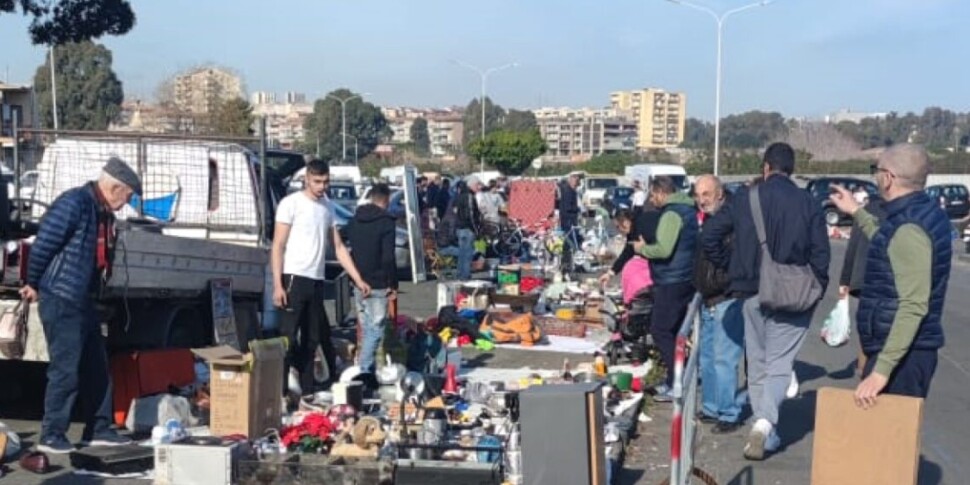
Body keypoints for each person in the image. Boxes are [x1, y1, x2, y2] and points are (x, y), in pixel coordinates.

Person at [703, 142, 830, 461]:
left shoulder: (745, 198)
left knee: (758, 363)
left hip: (750, 290)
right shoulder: (807, 202)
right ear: (792, 169)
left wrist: (732, 266)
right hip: (794, 293)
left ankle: (764, 430)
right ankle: (764, 423)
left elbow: (709, 235)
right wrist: (817, 286)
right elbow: (821, 253)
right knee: (780, 363)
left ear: (765, 167)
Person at [22, 157, 141, 453]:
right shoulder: (74, 203)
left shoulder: (99, 210)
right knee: (66, 368)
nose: (125, 204)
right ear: (115, 187)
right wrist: (32, 282)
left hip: (83, 299)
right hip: (62, 296)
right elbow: (43, 245)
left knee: (96, 366)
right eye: (126, 196)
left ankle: (99, 428)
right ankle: (52, 433)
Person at [828, 144, 950, 408]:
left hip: (903, 357)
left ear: (888, 177)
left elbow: (913, 305)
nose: (876, 176)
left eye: (877, 170)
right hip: (902, 350)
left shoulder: (909, 226)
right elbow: (890, 243)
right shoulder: (917, 213)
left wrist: (881, 371)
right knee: (887, 443)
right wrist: (857, 212)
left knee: (888, 443)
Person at [272, 159, 371, 398]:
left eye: (326, 182)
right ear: (307, 179)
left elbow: (337, 246)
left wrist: (357, 278)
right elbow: (278, 245)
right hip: (294, 276)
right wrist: (277, 284)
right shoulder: (291, 204)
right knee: (287, 337)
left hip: (316, 279)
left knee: (312, 337)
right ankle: (280, 392)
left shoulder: (327, 206)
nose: (322, 186)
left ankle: (307, 391)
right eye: (317, 182)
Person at [632, 176, 699, 402]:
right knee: (674, 331)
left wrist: (642, 249)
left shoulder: (672, 214)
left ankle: (677, 381)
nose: (652, 200)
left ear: (661, 192)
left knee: (660, 330)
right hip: (683, 278)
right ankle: (675, 377)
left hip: (672, 279)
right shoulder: (688, 210)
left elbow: (663, 249)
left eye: (653, 195)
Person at [692, 174, 745, 434]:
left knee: (725, 358)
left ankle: (728, 412)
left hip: (727, 296)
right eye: (698, 195)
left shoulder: (731, 221)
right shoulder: (708, 220)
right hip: (709, 296)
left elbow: (733, 259)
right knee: (708, 357)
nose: (702, 200)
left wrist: (724, 280)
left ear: (720, 194)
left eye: (707, 194)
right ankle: (712, 406)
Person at [348, 183, 398, 375]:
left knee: (366, 328)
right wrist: (392, 283)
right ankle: (362, 370)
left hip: (357, 281)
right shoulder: (386, 222)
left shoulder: (354, 220)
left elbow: (344, 239)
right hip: (377, 283)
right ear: (386, 200)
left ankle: (364, 369)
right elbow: (388, 257)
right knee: (375, 329)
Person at [839, 191, 887, 375]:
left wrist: (845, 280)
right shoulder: (900, 213)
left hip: (864, 278)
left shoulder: (866, 211)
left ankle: (862, 367)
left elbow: (852, 248)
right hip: (886, 279)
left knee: (865, 328)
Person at [454, 175, 483, 280]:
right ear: (473, 185)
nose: (479, 188)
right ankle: (465, 276)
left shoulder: (461, 195)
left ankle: (460, 274)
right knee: (467, 254)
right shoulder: (469, 196)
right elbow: (470, 215)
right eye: (478, 185)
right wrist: (476, 229)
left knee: (462, 253)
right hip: (467, 228)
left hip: (460, 228)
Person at [558, 172, 582, 270]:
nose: (577, 183)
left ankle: (570, 264)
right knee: (569, 243)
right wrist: (578, 209)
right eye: (576, 181)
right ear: (571, 180)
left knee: (571, 242)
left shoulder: (570, 190)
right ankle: (567, 265)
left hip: (569, 219)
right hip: (568, 219)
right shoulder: (568, 191)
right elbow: (567, 207)